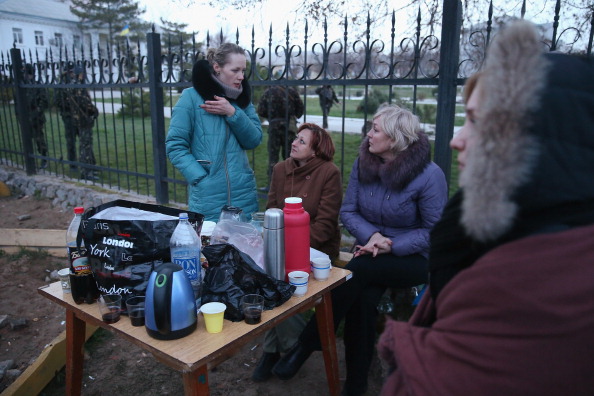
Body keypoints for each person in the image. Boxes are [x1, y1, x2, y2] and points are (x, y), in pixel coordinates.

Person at [377, 20, 594, 396]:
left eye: (477, 122)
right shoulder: (496, 229)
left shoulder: (528, 286)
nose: (457, 139)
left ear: (537, 138)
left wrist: (398, 343)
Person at [272, 104, 448, 395]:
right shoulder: (363, 164)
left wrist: (390, 244)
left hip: (416, 256)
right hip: (369, 249)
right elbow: (349, 211)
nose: (369, 134)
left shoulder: (429, 175)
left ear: (395, 137)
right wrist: (374, 236)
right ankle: (355, 384)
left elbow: (435, 231)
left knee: (358, 272)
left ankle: (305, 345)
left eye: (376, 130)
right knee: (362, 299)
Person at [251, 122, 343, 382]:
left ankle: (286, 348)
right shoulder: (281, 169)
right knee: (267, 277)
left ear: (316, 150)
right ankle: (277, 349)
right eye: (295, 138)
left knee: (285, 283)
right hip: (279, 245)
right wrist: (274, 244)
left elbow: (325, 225)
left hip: (316, 251)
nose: (294, 143)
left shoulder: (329, 173)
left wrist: (291, 248)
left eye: (302, 141)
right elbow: (271, 210)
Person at [166, 43, 263, 221]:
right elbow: (175, 146)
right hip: (207, 198)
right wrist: (200, 177)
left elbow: (254, 140)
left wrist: (232, 113)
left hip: (243, 195)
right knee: (210, 247)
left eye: (243, 70)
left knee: (245, 247)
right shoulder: (190, 97)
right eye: (235, 70)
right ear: (217, 67)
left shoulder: (242, 100)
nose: (241, 76)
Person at [54, 64, 99, 180]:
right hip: (80, 118)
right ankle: (85, 170)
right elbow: (84, 102)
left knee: (85, 144)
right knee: (84, 145)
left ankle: (89, 167)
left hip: (77, 118)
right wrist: (94, 110)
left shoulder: (71, 85)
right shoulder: (77, 86)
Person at [257, 85, 304, 189]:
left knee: (273, 157)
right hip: (289, 128)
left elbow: (260, 110)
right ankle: (292, 184)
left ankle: (271, 185)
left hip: (274, 126)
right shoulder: (292, 90)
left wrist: (272, 116)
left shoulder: (268, 91)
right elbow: (300, 110)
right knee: (290, 156)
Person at [23, 64, 49, 169]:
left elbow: (44, 101)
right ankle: (29, 160)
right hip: (25, 117)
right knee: (27, 140)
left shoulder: (37, 85)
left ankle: (44, 158)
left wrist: (37, 112)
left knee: (39, 139)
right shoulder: (22, 85)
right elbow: (18, 101)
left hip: (36, 118)